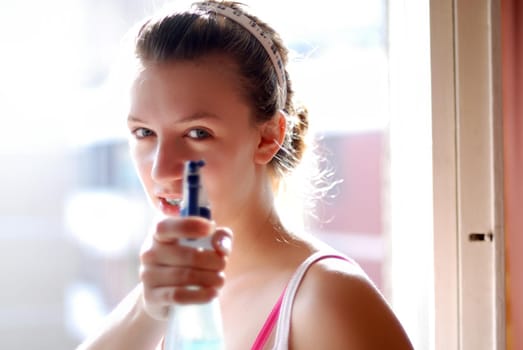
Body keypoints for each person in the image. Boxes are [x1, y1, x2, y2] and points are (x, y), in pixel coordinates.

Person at [78, 1, 414, 349]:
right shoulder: (157, 302)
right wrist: (148, 308)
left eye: (197, 133)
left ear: (268, 137)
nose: (161, 170)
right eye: (144, 133)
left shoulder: (328, 300)